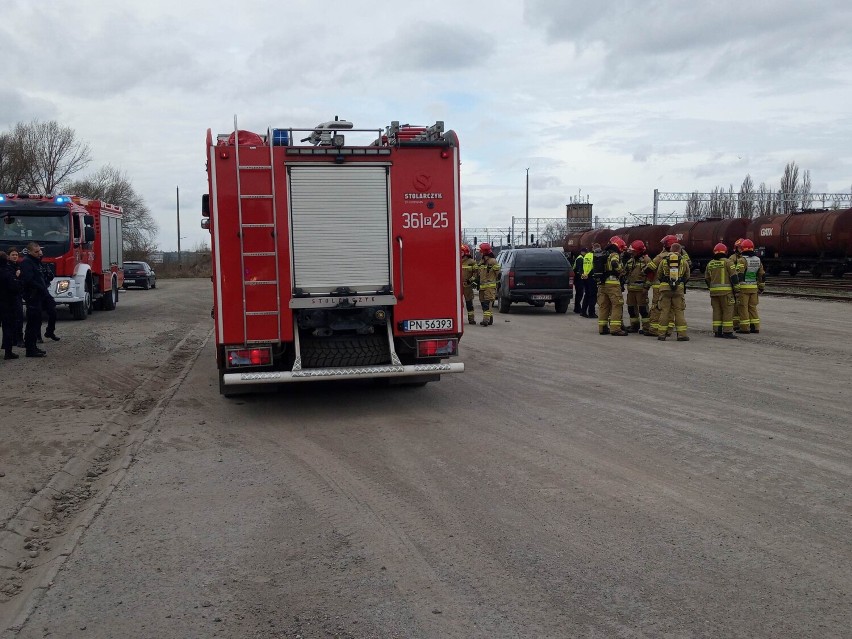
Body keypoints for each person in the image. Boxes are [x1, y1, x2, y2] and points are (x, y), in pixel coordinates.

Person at [18, 242, 49, 357]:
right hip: (32, 296)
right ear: (29, 251)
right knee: (32, 324)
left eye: (39, 251)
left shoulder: (35, 262)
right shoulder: (27, 262)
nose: (39, 253)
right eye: (36, 252)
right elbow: (29, 280)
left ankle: (33, 347)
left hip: (37, 296)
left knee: (36, 323)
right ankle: (30, 349)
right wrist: (41, 288)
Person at [704, 243, 740, 339]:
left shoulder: (710, 263)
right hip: (726, 293)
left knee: (717, 311)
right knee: (728, 311)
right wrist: (737, 289)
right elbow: (734, 277)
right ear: (726, 252)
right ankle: (727, 332)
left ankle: (717, 331)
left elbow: (707, 278)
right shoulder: (728, 262)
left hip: (714, 293)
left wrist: (711, 288)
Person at [656, 242, 690, 341]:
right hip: (678, 289)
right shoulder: (684, 261)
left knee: (664, 311)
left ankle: (662, 334)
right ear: (679, 250)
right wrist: (681, 282)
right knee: (679, 312)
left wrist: (664, 282)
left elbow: (659, 274)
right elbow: (687, 275)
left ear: (670, 250)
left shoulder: (664, 261)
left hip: (665, 289)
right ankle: (682, 335)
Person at [731, 239, 765, 333]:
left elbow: (739, 274)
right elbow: (762, 274)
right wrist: (761, 287)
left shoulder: (742, 260)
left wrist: (737, 287)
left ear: (742, 249)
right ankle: (755, 327)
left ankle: (745, 328)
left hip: (744, 288)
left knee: (743, 307)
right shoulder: (758, 259)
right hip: (754, 288)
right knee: (752, 307)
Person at [597, 236, 628, 336]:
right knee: (617, 304)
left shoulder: (603, 254)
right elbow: (614, 263)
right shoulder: (614, 254)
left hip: (602, 284)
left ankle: (602, 328)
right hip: (613, 283)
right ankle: (615, 329)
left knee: (604, 306)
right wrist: (621, 271)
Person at [623, 240, 651, 333]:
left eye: (634, 251)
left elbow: (651, 275)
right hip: (631, 290)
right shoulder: (631, 261)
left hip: (641, 290)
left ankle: (646, 328)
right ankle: (634, 326)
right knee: (631, 308)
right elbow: (624, 272)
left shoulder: (646, 260)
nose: (632, 252)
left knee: (643, 309)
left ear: (639, 251)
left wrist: (646, 287)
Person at [0, 251, 22, 360]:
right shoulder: (7, 272)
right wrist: (17, 279)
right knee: (8, 327)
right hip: (7, 303)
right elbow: (14, 288)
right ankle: (8, 352)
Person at [477, 242, 500, 326]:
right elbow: (479, 273)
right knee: (483, 304)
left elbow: (499, 274)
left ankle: (485, 320)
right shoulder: (482, 261)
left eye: (481, 251)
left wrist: (497, 285)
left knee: (487, 304)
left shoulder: (493, 261)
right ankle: (490, 319)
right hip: (482, 287)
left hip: (490, 287)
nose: (480, 253)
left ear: (484, 252)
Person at [6, 247, 25, 348]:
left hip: (17, 295)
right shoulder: (7, 267)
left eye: (16, 255)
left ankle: (18, 339)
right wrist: (17, 276)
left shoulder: (18, 266)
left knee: (19, 318)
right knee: (13, 318)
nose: (15, 257)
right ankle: (15, 339)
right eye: (13, 255)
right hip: (10, 296)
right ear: (8, 256)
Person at [581, 243, 600, 318]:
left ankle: (583, 311)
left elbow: (584, 265)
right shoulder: (595, 256)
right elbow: (595, 267)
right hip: (592, 277)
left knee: (587, 294)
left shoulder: (587, 255)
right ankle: (591, 313)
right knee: (593, 296)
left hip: (585, 276)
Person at [460, 243, 478, 325]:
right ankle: (459, 319)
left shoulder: (472, 262)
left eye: (461, 252)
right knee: (458, 304)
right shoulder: (456, 260)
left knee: (469, 303)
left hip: (467, 285)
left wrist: (470, 281)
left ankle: (471, 319)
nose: (460, 253)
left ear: (465, 252)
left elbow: (476, 274)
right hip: (458, 286)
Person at [730, 238, 744, 331]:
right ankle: (735, 324)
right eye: (740, 248)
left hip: (744, 284)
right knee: (735, 305)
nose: (741, 249)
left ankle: (743, 323)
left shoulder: (745, 258)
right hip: (735, 283)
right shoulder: (732, 258)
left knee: (743, 305)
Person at [572, 248, 587, 313]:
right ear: (582, 252)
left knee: (579, 293)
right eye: (585, 252)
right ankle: (577, 308)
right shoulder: (580, 259)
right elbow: (579, 270)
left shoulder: (580, 258)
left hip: (578, 278)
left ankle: (577, 308)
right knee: (579, 293)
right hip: (579, 279)